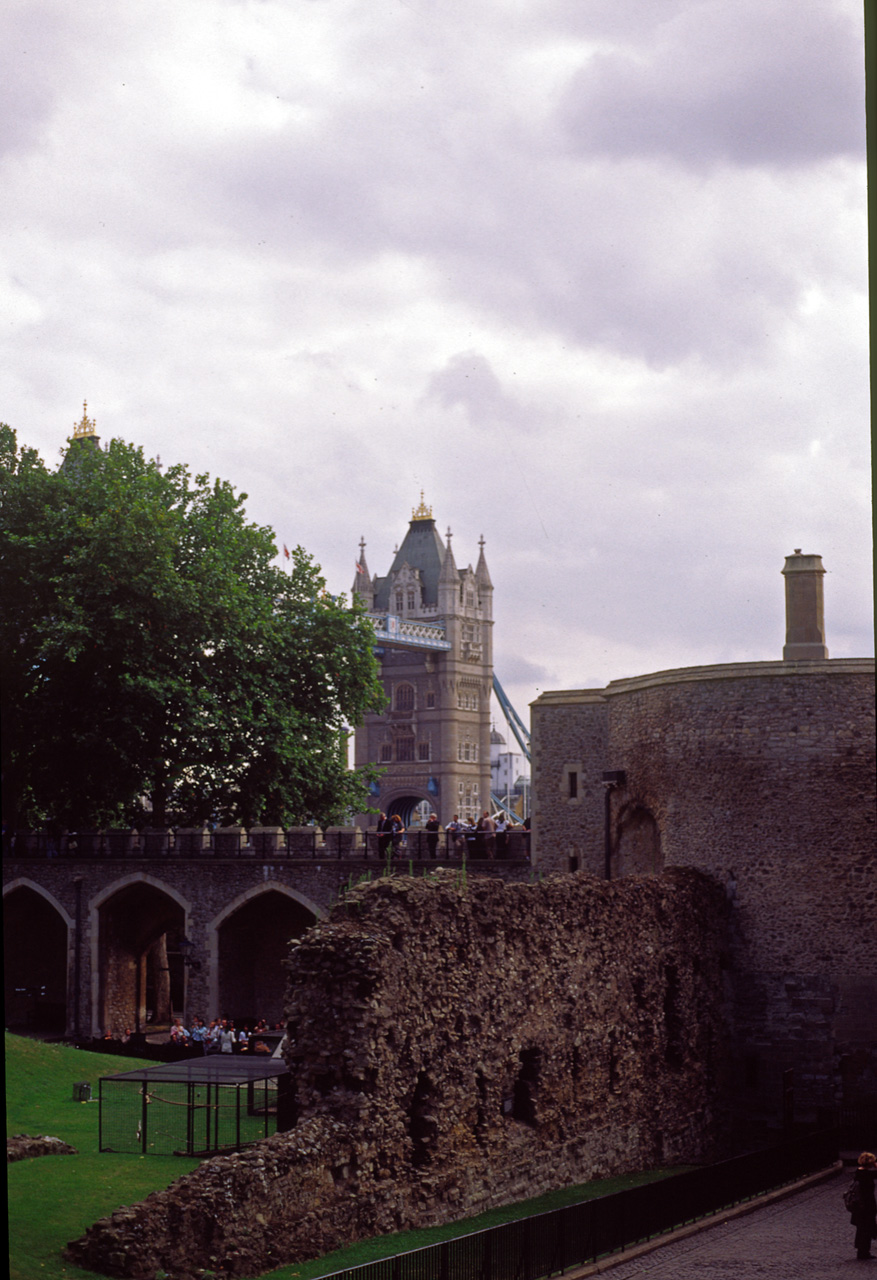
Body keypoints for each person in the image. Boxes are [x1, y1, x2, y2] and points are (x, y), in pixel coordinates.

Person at [852, 1151, 877, 1260]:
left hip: (859, 1206)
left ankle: (862, 1251)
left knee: (862, 1228)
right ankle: (864, 1252)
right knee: (866, 1229)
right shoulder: (867, 1175)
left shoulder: (859, 1172)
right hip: (866, 1206)